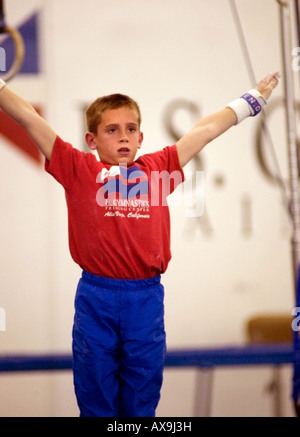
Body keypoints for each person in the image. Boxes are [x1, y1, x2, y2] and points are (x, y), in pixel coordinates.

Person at [0, 71, 280, 417]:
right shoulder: (77, 169)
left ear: (141, 137)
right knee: (95, 397)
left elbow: (204, 131)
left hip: (144, 299)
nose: (123, 138)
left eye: (131, 129)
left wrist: (252, 99)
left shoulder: (159, 168)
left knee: (141, 401)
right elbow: (29, 118)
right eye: (112, 130)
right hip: (96, 298)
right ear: (92, 139)